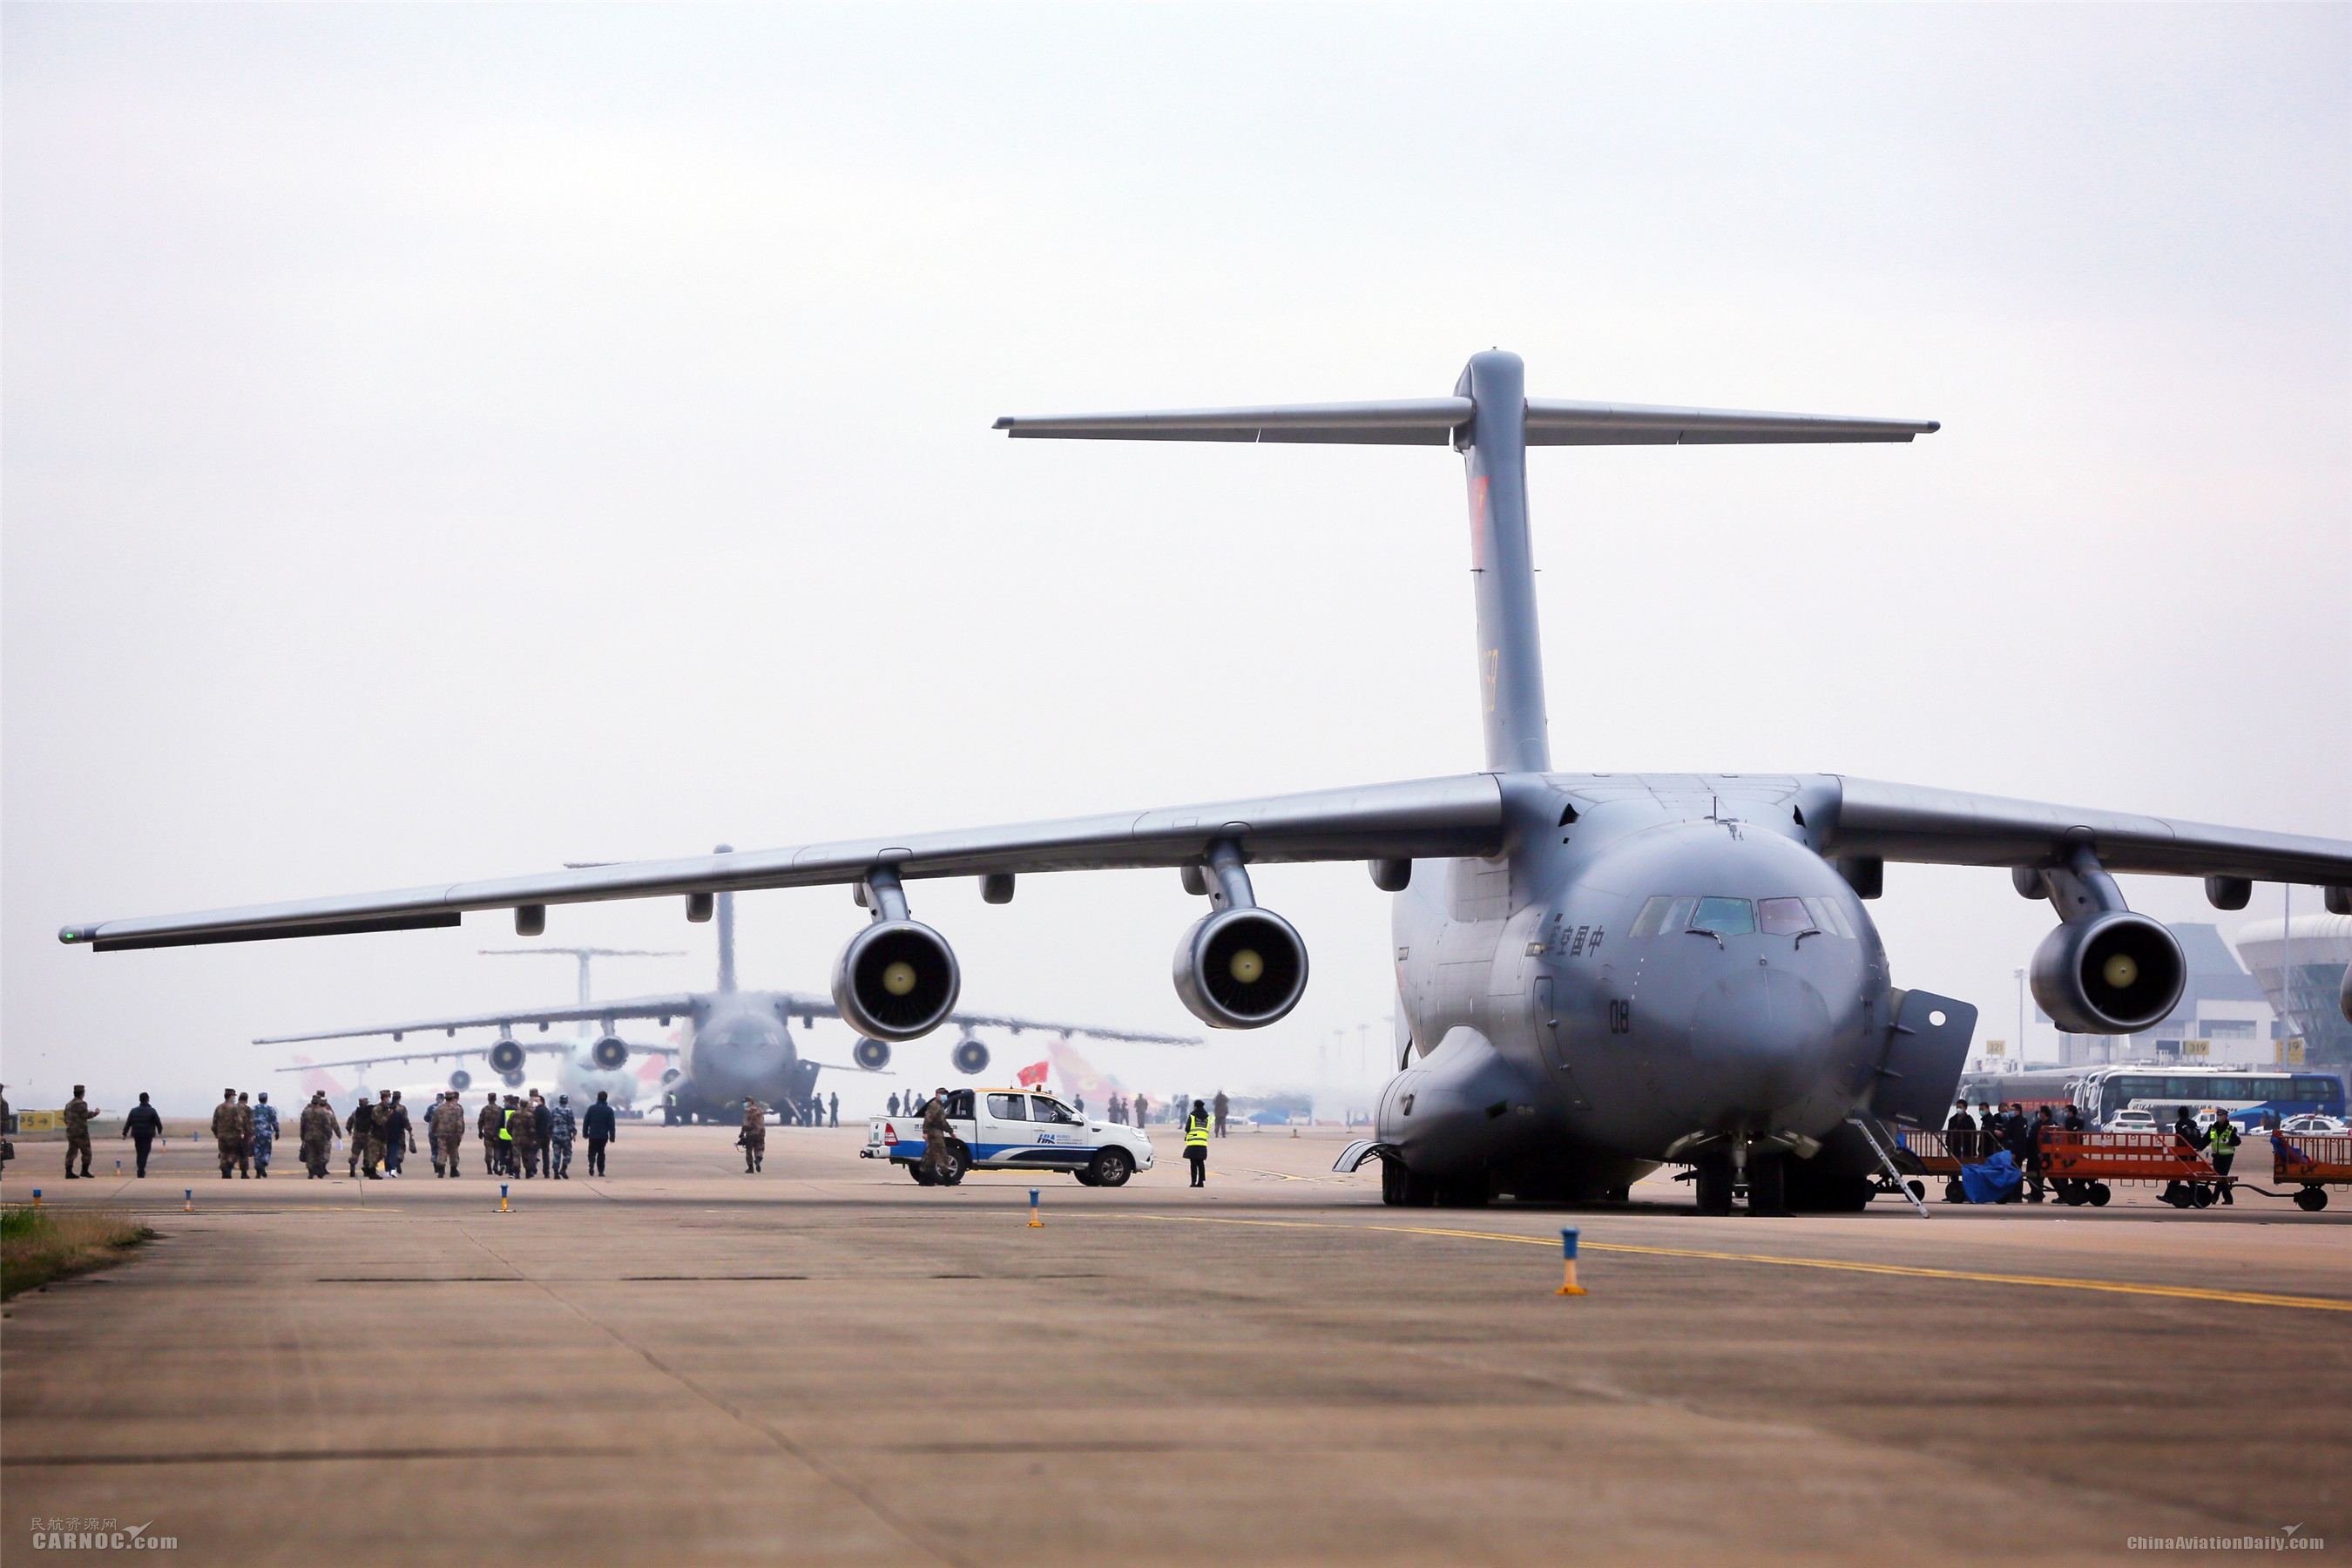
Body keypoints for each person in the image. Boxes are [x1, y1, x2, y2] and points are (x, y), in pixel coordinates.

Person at [122, 1092, 164, 1177]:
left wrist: (124, 1133)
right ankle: (141, 1170)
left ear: (140, 1100)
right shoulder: (152, 1111)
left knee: (139, 1152)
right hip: (147, 1135)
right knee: (145, 1153)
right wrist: (160, 1130)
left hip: (137, 1134)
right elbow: (158, 1122)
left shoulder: (133, 1111)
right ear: (148, 1100)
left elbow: (128, 1123)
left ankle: (140, 1167)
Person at [920, 1087, 956, 1185]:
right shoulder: (934, 1106)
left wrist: (950, 1131)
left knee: (930, 1156)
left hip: (937, 1132)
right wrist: (925, 1132)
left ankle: (923, 1179)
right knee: (941, 1154)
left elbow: (943, 1122)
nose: (944, 1096)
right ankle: (948, 1179)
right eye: (942, 1094)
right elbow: (928, 1119)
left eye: (945, 1094)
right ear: (937, 1094)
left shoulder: (940, 1106)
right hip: (934, 1133)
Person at [300, 1091, 337, 1179]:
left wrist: (302, 1136)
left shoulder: (306, 1112)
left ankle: (311, 1172)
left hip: (309, 1136)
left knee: (310, 1155)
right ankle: (320, 1171)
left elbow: (302, 1125)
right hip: (321, 1137)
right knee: (320, 1154)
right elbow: (327, 1125)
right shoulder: (323, 1112)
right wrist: (329, 1134)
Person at [426, 1092, 463, 1178]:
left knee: (442, 1151)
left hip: (441, 1133)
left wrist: (433, 1131)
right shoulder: (458, 1108)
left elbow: (434, 1121)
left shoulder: (439, 1108)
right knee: (453, 1151)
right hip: (453, 1134)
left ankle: (441, 1171)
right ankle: (453, 1170)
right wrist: (460, 1134)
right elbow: (460, 1123)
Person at [2208, 1110, 2241, 1205]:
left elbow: (2238, 1141)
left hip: (2227, 1156)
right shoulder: (2213, 1128)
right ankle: (2228, 1199)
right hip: (2216, 1156)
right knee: (2221, 1177)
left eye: (2220, 1115)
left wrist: (2229, 1141)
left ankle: (2215, 1196)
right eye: (2217, 1115)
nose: (2218, 1117)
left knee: (2221, 1177)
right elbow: (2209, 1139)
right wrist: (2199, 1147)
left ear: (2225, 1116)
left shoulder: (2231, 1128)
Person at [213, 1088, 247, 1179]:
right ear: (231, 1097)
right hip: (233, 1136)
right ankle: (229, 1166)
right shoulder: (235, 1108)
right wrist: (241, 1132)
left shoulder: (219, 1108)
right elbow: (239, 1122)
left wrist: (216, 1133)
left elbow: (214, 1124)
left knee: (224, 1154)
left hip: (222, 1136)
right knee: (234, 1153)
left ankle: (224, 1169)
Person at [345, 1093, 379, 1179]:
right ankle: (366, 1170)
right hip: (368, 1137)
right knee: (367, 1154)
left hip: (357, 1136)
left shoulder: (355, 1113)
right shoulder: (371, 1113)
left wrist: (349, 1130)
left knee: (355, 1153)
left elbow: (349, 1123)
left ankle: (353, 1165)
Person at [583, 1091, 616, 1176]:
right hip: (603, 1136)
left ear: (597, 1098)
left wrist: (585, 1133)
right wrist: (612, 1137)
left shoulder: (591, 1108)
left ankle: (591, 1164)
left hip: (593, 1134)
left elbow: (586, 1122)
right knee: (601, 1153)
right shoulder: (609, 1110)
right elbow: (611, 1125)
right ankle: (601, 1171)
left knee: (591, 1151)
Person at [251, 1091, 280, 1178]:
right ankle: (263, 1165)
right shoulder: (270, 1109)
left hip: (256, 1134)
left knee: (257, 1152)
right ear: (266, 1099)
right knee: (266, 1151)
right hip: (266, 1134)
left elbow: (249, 1122)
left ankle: (258, 1170)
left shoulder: (253, 1109)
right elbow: (274, 1122)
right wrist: (277, 1132)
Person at [1184, 1098, 1211, 1186]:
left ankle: (1193, 1182)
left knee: (1193, 1164)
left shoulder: (1192, 1115)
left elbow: (1187, 1128)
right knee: (1201, 1163)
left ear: (1195, 1106)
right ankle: (1201, 1182)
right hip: (1203, 1142)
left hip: (1193, 1142)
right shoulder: (1208, 1117)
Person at [550, 1095, 576, 1179]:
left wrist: (550, 1133)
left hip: (555, 1134)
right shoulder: (569, 1111)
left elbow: (550, 1123)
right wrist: (574, 1133)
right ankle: (563, 1169)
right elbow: (571, 1123)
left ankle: (556, 1172)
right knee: (567, 1153)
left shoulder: (554, 1110)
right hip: (565, 1135)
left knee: (556, 1154)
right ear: (567, 1101)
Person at [478, 1093, 504, 1176]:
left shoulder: (485, 1109)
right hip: (498, 1133)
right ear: (495, 1099)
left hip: (488, 1133)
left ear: (488, 1099)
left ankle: (489, 1168)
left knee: (488, 1151)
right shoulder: (500, 1109)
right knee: (497, 1150)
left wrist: (480, 1131)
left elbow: (480, 1121)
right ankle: (496, 1164)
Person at [1943, 1098, 1977, 1162]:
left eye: (1960, 1107)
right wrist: (1948, 1143)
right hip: (1954, 1146)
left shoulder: (1969, 1120)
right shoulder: (1952, 1120)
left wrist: (1973, 1150)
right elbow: (1949, 1133)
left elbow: (1973, 1135)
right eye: (1957, 1107)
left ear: (1965, 1108)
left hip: (1966, 1146)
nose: (1958, 1109)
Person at [531, 1092, 554, 1179]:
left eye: (537, 1100)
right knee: (545, 1154)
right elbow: (551, 1123)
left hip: (538, 1135)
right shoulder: (547, 1110)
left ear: (541, 1101)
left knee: (533, 1152)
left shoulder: (538, 1110)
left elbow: (534, 1122)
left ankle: (532, 1169)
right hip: (547, 1135)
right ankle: (546, 1172)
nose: (535, 1102)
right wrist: (550, 1133)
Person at [740, 1099, 767, 1173]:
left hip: (751, 1133)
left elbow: (746, 1124)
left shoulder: (748, 1111)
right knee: (760, 1148)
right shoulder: (760, 1110)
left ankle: (750, 1168)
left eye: (745, 1102)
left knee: (749, 1151)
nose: (744, 1104)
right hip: (761, 1132)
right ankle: (758, 1159)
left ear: (750, 1102)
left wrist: (742, 1133)